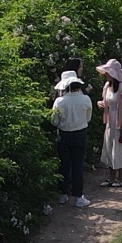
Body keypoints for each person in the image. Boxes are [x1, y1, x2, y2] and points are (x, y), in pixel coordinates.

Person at [51, 71, 93, 208]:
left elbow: (54, 121)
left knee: (64, 164)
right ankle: (78, 196)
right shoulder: (86, 99)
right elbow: (88, 118)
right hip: (80, 134)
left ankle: (63, 194)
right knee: (78, 166)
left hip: (64, 135)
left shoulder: (59, 101)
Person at [96, 59, 122, 187]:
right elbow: (109, 102)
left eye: (108, 72)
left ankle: (121, 178)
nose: (106, 74)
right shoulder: (107, 86)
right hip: (111, 119)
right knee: (110, 146)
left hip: (120, 118)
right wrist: (101, 104)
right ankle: (112, 177)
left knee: (120, 147)